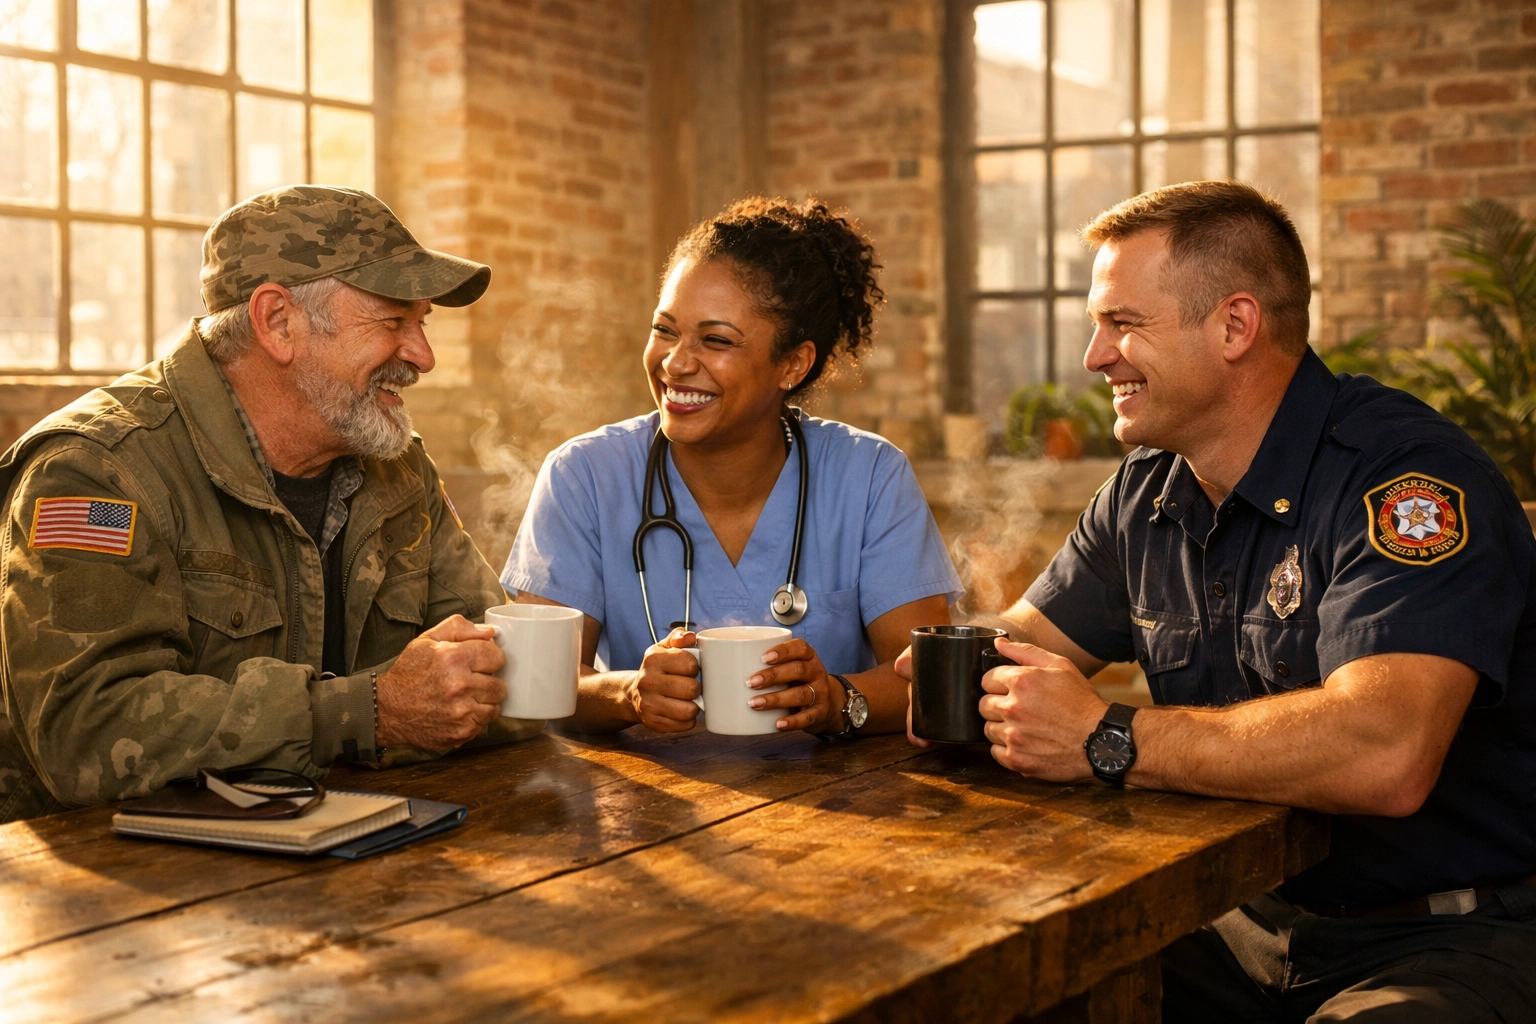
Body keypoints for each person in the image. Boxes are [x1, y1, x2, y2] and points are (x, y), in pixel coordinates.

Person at [901, 181, 1536, 1021]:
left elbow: (1388, 753)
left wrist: (1110, 736)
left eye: (1123, 323)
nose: (1095, 357)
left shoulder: (1403, 479)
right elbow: (1018, 647)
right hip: (1240, 926)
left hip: (1449, 938)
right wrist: (839, 697)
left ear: (1235, 326)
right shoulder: (1145, 493)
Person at [0, 185, 540, 824]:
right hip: (123, 894)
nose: (423, 354)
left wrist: (417, 711)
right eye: (395, 322)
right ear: (279, 321)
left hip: (362, 862)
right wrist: (367, 713)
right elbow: (86, 734)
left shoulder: (399, 469)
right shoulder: (96, 474)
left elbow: (506, 680)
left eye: (422, 323)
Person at [503, 197, 961, 737]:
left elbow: (930, 679)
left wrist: (836, 698)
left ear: (793, 363)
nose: (676, 363)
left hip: (837, 800)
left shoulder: (869, 477)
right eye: (665, 330)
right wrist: (626, 693)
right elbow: (533, 682)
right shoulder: (583, 476)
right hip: (653, 807)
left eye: (716, 340)